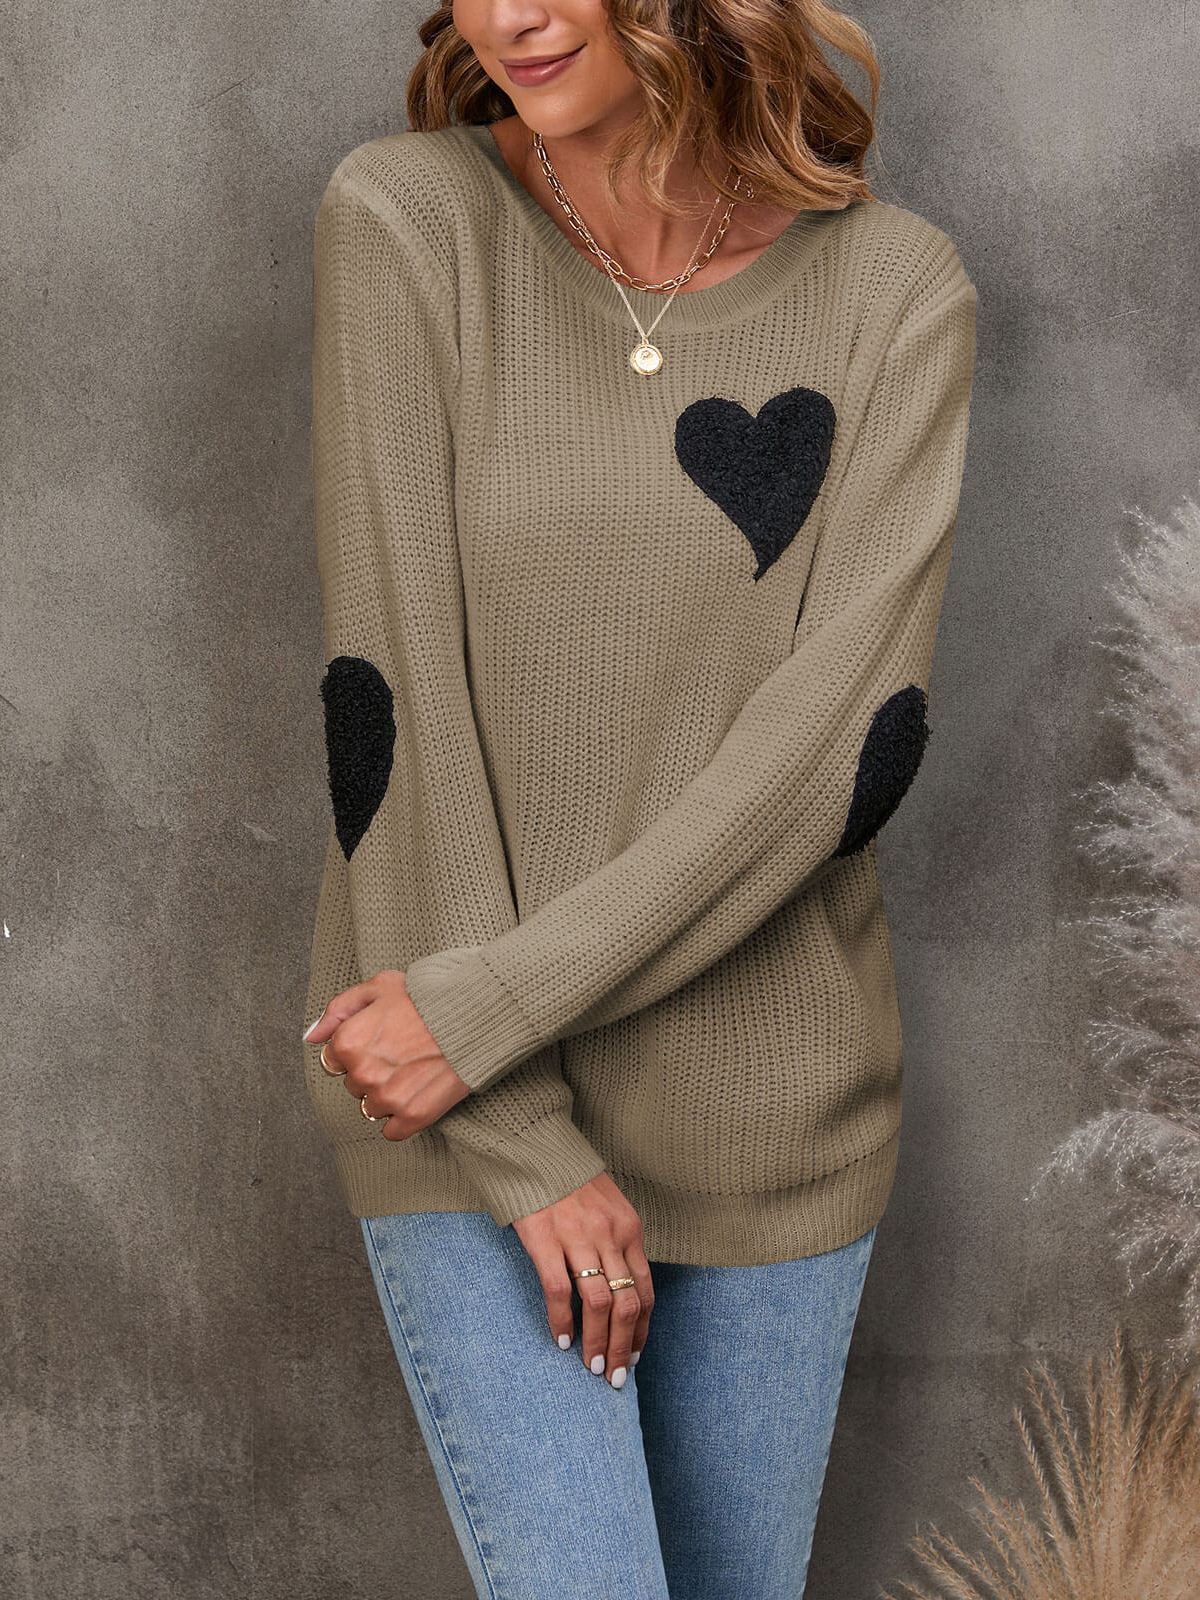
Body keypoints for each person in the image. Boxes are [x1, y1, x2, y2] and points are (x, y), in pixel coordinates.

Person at [299, 0, 978, 1589]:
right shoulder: (409, 221)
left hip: (771, 1116)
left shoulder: (898, 292)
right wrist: (509, 1115)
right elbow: (389, 701)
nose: (513, 18)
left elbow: (833, 757)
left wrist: (493, 1008)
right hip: (456, 1103)